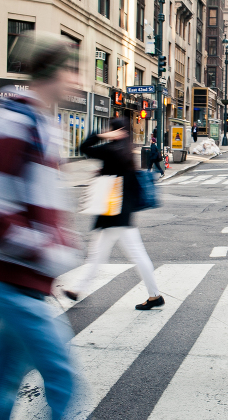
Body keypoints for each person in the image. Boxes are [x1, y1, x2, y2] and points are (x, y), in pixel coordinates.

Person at [0, 32, 78, 420]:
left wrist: (48, 259)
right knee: (62, 379)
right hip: (6, 275)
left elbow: (34, 203)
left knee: (2, 382)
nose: (78, 79)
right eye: (72, 68)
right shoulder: (11, 119)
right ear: (52, 71)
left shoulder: (39, 121)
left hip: (19, 277)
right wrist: (46, 252)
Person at [64, 118, 164, 310]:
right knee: (106, 254)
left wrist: (100, 135)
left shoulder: (112, 150)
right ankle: (78, 289)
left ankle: (155, 295)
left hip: (113, 212)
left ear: (115, 131)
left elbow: (84, 147)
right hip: (120, 212)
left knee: (119, 254)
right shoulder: (126, 150)